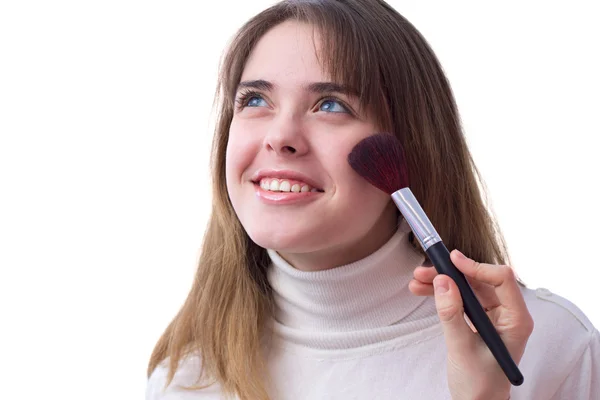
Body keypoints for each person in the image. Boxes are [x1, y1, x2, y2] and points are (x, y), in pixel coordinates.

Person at [145, 0, 599, 399]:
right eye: (255, 99)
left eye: (330, 104)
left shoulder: (551, 349)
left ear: (412, 147)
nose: (280, 136)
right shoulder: (186, 375)